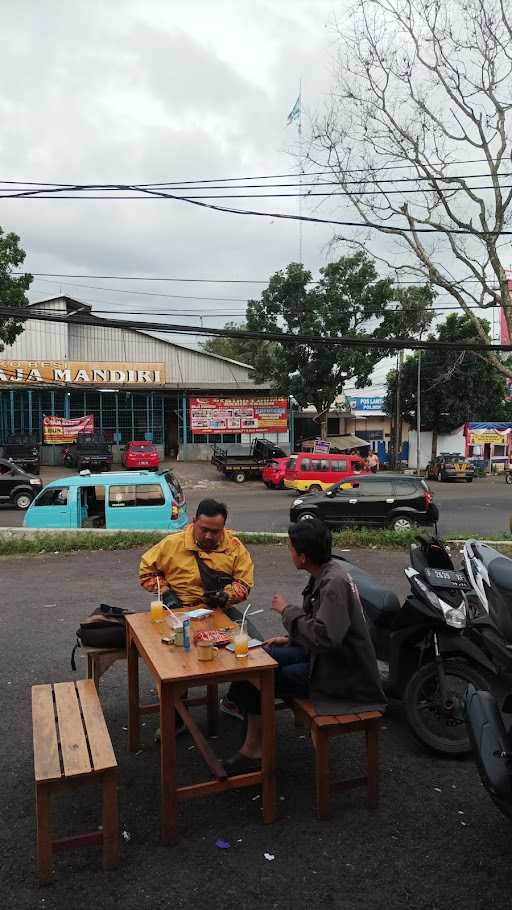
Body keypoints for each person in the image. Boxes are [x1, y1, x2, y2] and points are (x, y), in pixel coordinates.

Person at [224, 518, 385, 775]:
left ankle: (254, 747)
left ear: (303, 556)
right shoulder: (325, 571)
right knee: (260, 657)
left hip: (342, 673)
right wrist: (290, 639)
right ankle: (252, 740)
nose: (288, 552)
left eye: (290, 548)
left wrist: (287, 611)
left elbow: (327, 638)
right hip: (323, 657)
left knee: (264, 675)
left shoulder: (333, 583)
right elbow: (324, 626)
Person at [139, 498, 254, 723]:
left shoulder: (235, 547)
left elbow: (244, 583)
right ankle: (176, 716)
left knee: (254, 649)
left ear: (224, 527)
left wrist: (226, 595)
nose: (209, 536)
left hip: (219, 611)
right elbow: (146, 572)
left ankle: (233, 699)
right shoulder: (171, 544)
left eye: (215, 531)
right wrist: (167, 594)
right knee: (171, 660)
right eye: (204, 530)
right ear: (194, 522)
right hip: (176, 611)